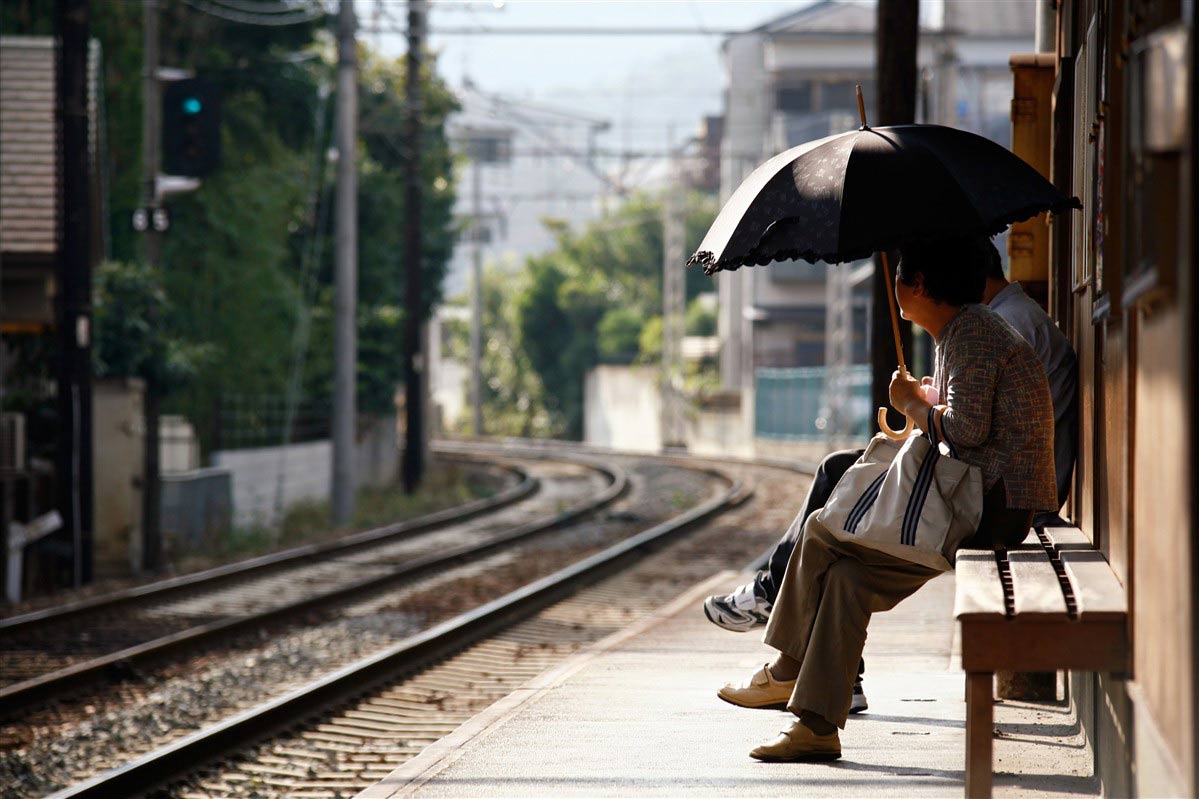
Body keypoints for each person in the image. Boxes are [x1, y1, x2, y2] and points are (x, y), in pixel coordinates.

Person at [716, 235, 1057, 762]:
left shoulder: (973, 336)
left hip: (989, 509)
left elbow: (965, 431)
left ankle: (787, 671)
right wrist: (926, 400)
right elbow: (972, 424)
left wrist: (910, 405)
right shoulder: (965, 332)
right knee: (848, 578)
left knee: (823, 534)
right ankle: (816, 725)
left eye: (900, 274)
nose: (895, 283)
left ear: (918, 284)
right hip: (981, 497)